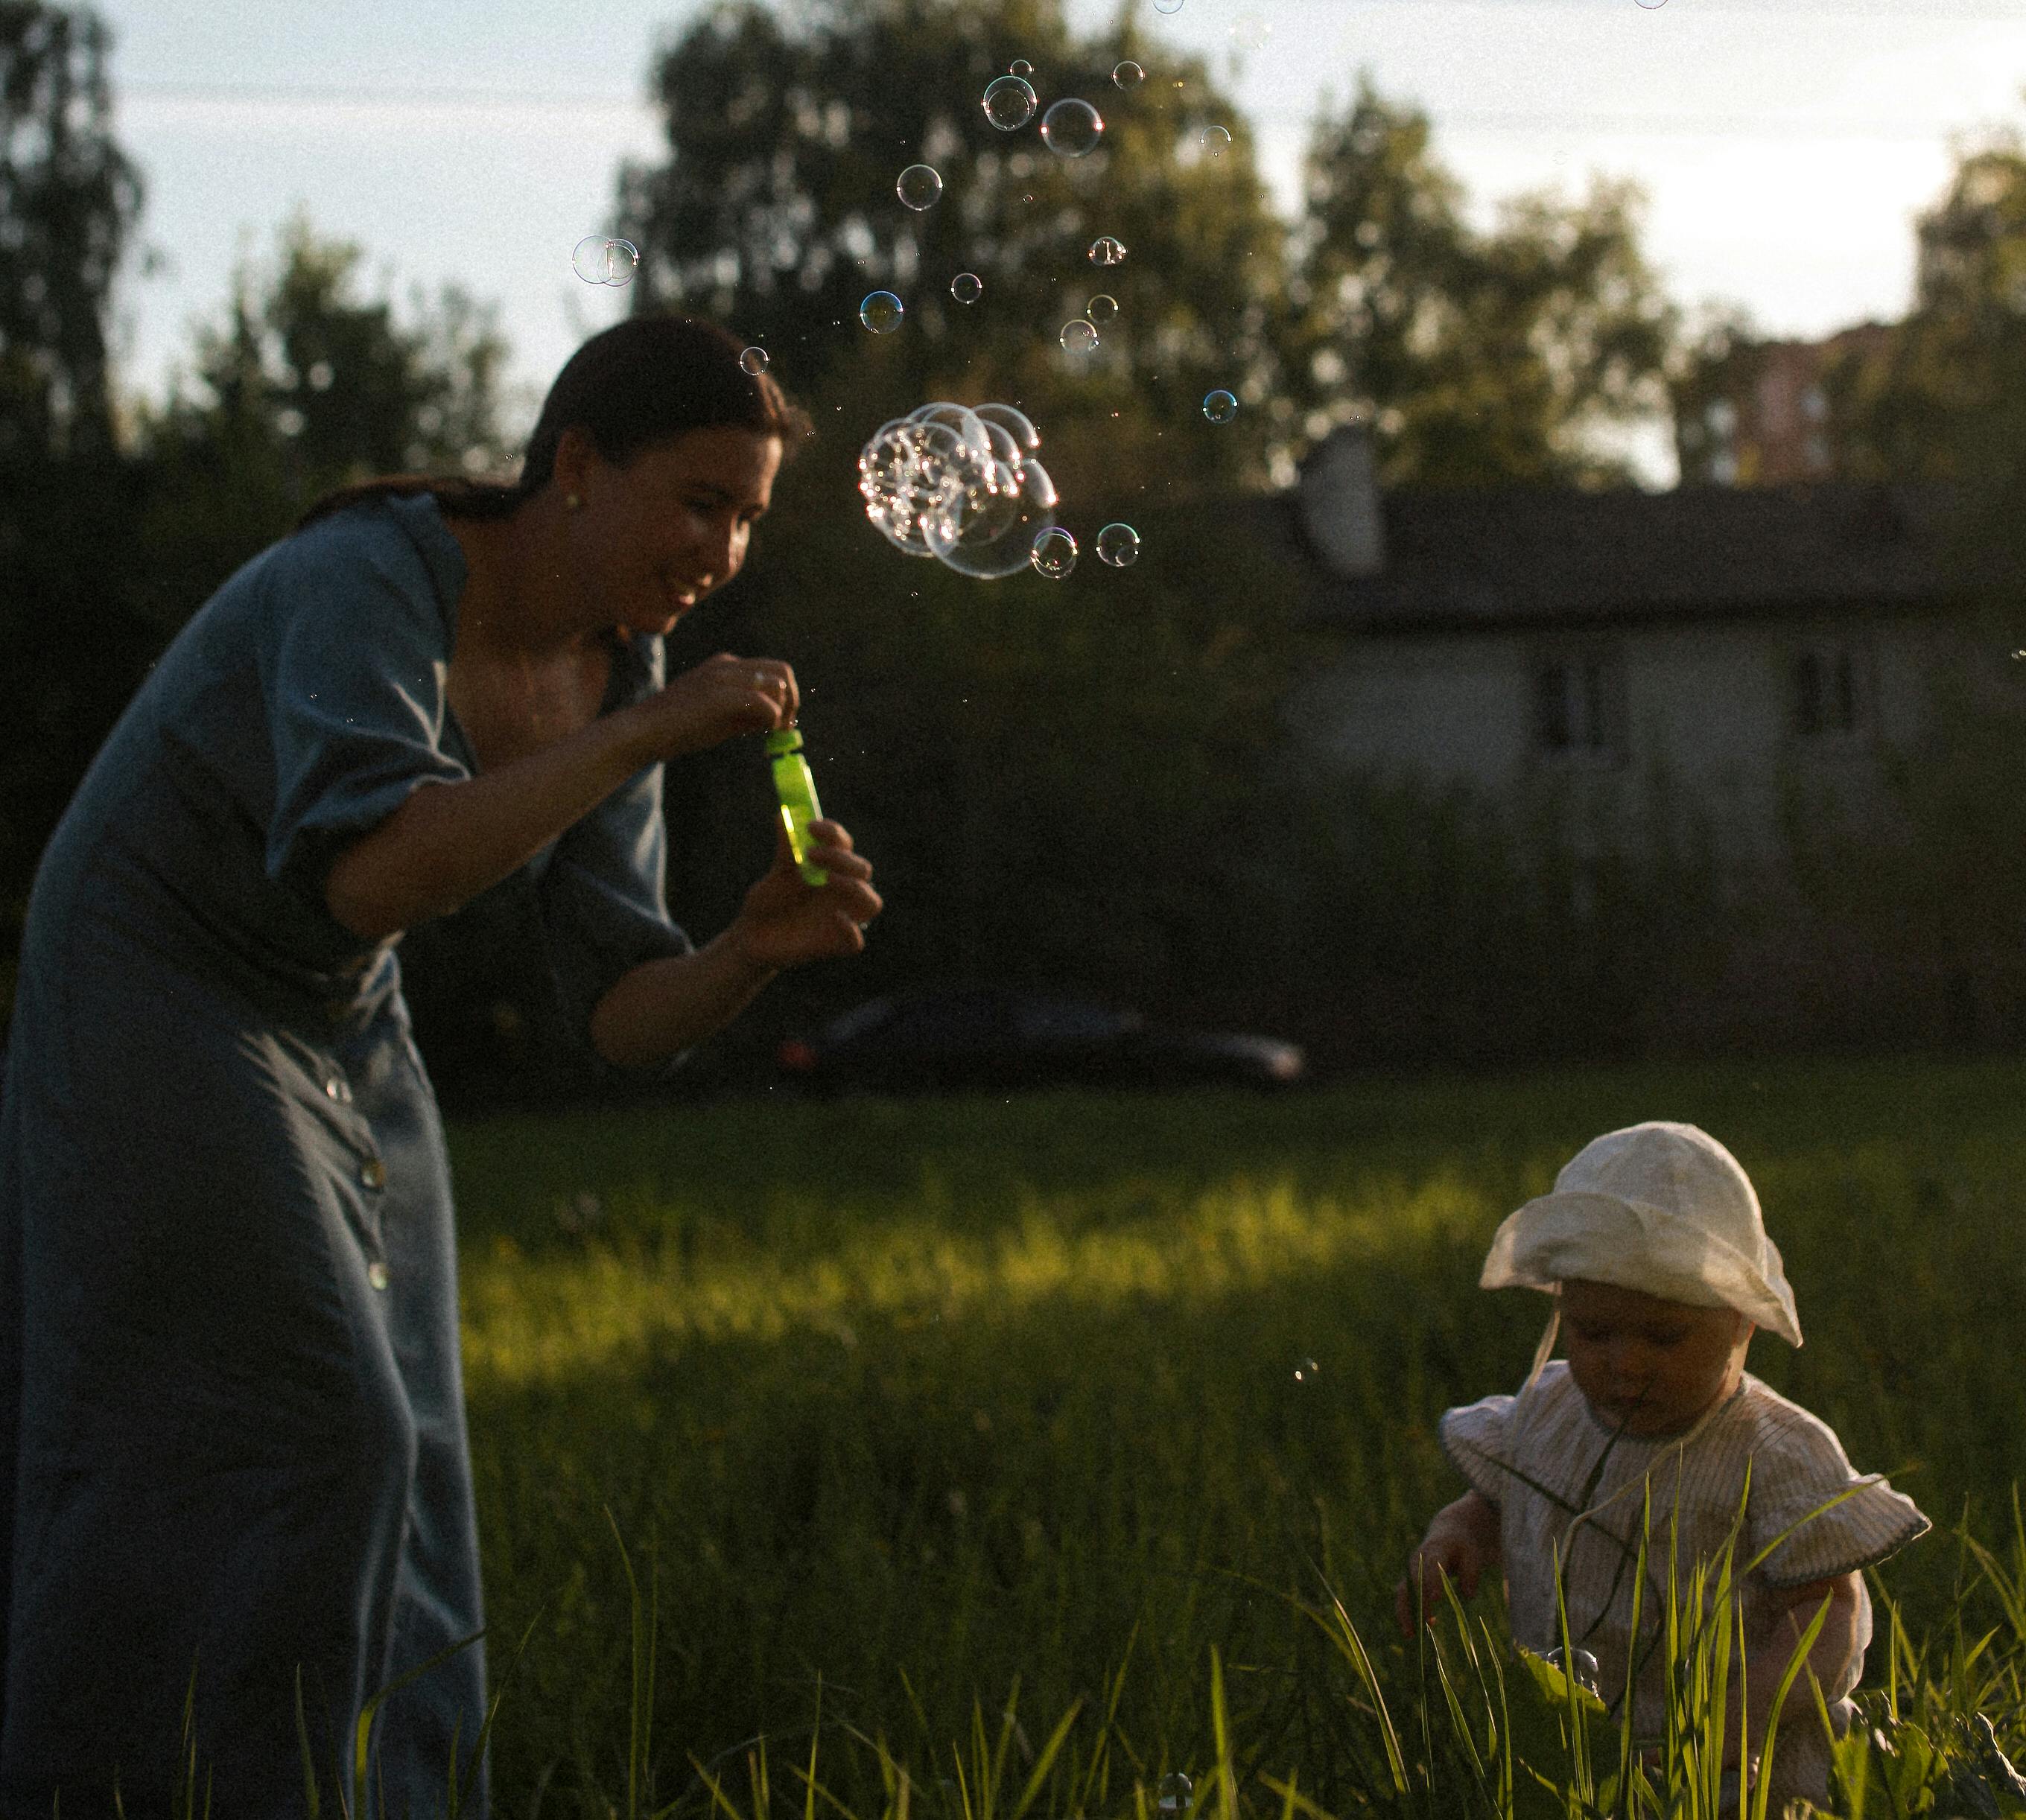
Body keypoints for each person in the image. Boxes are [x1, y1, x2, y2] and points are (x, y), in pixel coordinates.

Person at [0, 315, 882, 1816]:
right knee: (313, 1424)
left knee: (412, 1457)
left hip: (340, 1007)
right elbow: (372, 872)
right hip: (157, 973)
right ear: (580, 466)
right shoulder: (377, 571)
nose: (724, 550)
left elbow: (617, 1013)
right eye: (701, 500)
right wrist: (647, 734)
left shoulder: (627, 661)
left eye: (748, 517)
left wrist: (743, 955)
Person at [1395, 1121, 1928, 1815]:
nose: (1627, 1362)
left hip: (1740, 1761)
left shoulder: (1770, 1452)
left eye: (1664, 1336)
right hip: (1573, 1751)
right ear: (1563, 1308)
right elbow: (1496, 1504)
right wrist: (1455, 1535)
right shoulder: (1546, 1412)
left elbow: (1830, 1607)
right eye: (1595, 1332)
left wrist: (1740, 1718)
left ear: (1743, 1323)